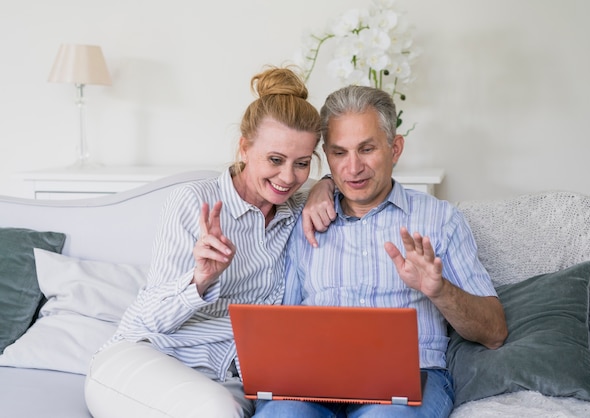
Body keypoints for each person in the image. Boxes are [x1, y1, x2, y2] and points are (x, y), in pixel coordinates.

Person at [254, 85, 508, 418]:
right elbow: (282, 326)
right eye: (339, 152)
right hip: (312, 384)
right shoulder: (305, 219)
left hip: (404, 388)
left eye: (367, 149)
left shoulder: (439, 219)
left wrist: (439, 290)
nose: (353, 167)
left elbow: (494, 332)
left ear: (395, 148)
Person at [84, 66, 324, 418]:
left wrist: (325, 186)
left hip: (227, 381)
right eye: (275, 160)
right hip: (150, 358)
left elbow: (342, 179)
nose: (288, 177)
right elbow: (144, 322)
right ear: (244, 148)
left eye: (302, 164)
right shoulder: (193, 202)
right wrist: (199, 280)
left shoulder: (299, 207)